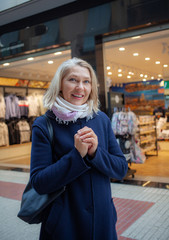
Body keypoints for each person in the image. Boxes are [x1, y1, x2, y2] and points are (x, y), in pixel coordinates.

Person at [30, 57, 128, 240]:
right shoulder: (44, 125)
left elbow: (121, 169)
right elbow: (39, 182)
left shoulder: (101, 119)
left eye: (86, 81)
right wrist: (76, 156)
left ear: (92, 87)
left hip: (102, 222)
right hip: (64, 224)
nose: (80, 88)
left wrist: (95, 153)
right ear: (60, 84)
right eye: (73, 80)